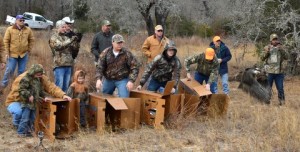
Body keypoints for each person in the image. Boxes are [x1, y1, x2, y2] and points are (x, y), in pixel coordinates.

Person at [5, 64, 72, 137]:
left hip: (32, 102)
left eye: (41, 74)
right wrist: (30, 96)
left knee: (32, 117)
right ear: (34, 72)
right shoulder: (23, 78)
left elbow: (51, 87)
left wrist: (63, 95)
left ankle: (29, 130)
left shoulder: (40, 77)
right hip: (16, 101)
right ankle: (17, 126)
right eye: (39, 74)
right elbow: (20, 92)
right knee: (21, 113)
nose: (41, 75)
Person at [0, 15, 34, 92]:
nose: (22, 22)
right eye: (20, 20)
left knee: (22, 72)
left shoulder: (28, 30)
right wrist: (7, 52)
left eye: (23, 20)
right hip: (12, 54)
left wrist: (29, 49)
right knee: (10, 70)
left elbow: (31, 39)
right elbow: (6, 41)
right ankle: (2, 87)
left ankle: (19, 88)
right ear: (16, 21)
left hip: (23, 55)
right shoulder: (10, 29)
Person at [49, 20, 78, 92]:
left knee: (66, 87)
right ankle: (57, 103)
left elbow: (73, 49)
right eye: (63, 27)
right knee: (59, 87)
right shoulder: (54, 37)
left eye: (65, 27)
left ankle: (64, 102)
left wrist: (76, 42)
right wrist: (71, 40)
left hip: (68, 65)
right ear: (58, 27)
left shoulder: (66, 37)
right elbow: (59, 46)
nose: (65, 29)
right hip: (59, 65)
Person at [261, 33, 288, 105]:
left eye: (276, 39)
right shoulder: (267, 48)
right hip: (269, 72)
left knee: (280, 88)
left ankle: (282, 102)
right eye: (273, 40)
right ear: (271, 40)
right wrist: (267, 51)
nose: (275, 41)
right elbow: (262, 58)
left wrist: (281, 49)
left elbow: (287, 57)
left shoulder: (282, 47)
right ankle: (266, 102)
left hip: (279, 72)